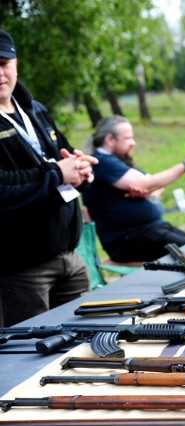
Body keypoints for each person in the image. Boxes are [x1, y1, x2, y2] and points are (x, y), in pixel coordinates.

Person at [0, 29, 98, 327]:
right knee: (31, 358)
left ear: (16, 64)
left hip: (69, 256)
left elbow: (62, 152)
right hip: (20, 270)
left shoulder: (34, 108)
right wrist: (56, 173)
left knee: (85, 341)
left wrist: (79, 167)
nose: (0, 73)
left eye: (4, 63)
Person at [83, 115, 185, 263]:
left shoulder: (119, 160)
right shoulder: (102, 161)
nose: (133, 143)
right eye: (128, 138)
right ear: (110, 139)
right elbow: (149, 183)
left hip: (150, 229)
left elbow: (157, 186)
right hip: (128, 239)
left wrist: (146, 191)